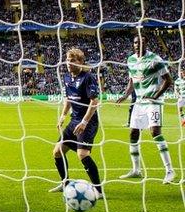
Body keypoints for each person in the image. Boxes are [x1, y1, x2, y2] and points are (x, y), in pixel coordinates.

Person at [116, 35, 175, 184]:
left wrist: (155, 96)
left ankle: (170, 171)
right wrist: (125, 95)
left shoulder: (155, 59)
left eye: (140, 42)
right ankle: (136, 170)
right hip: (139, 102)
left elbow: (168, 80)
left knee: (155, 132)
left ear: (146, 43)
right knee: (133, 133)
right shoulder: (130, 60)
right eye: (135, 42)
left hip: (153, 102)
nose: (137, 44)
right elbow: (132, 80)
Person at [48, 48, 102, 198]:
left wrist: (84, 122)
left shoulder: (88, 77)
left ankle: (98, 190)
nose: (69, 63)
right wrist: (63, 115)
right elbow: (69, 99)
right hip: (74, 121)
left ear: (81, 62)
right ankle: (65, 183)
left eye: (72, 60)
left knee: (82, 154)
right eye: (67, 60)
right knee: (57, 152)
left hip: (88, 121)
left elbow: (94, 102)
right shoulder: (67, 78)